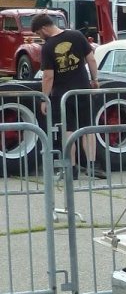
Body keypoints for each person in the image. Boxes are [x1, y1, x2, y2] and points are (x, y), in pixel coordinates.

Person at [32, 13, 102, 177]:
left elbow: (48, 76)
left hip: (62, 95)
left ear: (44, 29)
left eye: (38, 33)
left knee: (68, 130)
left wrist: (44, 98)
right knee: (88, 128)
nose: (39, 37)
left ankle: (71, 168)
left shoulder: (48, 47)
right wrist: (95, 79)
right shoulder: (77, 35)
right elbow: (91, 59)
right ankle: (92, 165)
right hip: (82, 90)